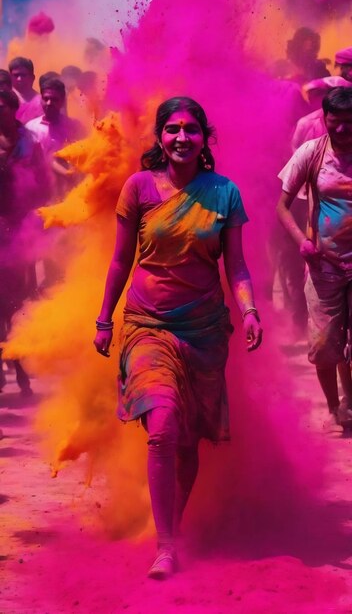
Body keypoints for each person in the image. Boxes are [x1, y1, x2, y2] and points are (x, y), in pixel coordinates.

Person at [93, 97, 262, 579]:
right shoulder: (139, 187)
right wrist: (105, 318)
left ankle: (174, 527)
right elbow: (121, 260)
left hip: (204, 331)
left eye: (191, 129)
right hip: (148, 326)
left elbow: (237, 266)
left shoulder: (224, 193)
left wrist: (248, 310)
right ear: (160, 137)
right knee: (162, 423)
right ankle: (165, 547)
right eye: (172, 129)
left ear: (205, 137)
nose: (182, 138)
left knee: (187, 440)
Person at [277, 87, 352, 430]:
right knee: (324, 346)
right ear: (325, 119)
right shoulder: (312, 152)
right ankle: (334, 407)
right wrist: (301, 243)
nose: (342, 131)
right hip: (324, 265)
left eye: (349, 124)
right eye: (335, 123)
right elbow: (282, 206)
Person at [0, 90, 46, 395]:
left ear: (14, 110)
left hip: (18, 233)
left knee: (14, 307)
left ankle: (22, 372)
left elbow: (41, 184)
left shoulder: (29, 142)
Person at [8, 57, 42, 124]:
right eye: (16, 75)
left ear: (32, 77)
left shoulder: (42, 101)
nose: (19, 79)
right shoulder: (5, 99)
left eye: (23, 75)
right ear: (10, 76)